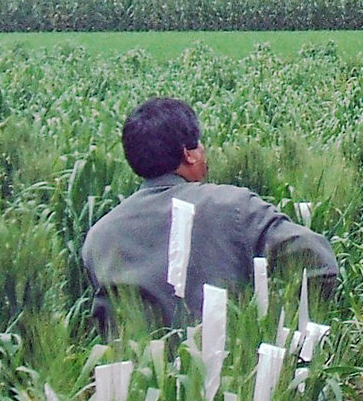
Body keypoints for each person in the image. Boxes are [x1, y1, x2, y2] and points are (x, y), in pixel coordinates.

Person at [80, 97, 338, 334]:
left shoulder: (99, 237)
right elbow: (319, 262)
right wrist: (273, 326)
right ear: (188, 154)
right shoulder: (235, 206)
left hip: (132, 382)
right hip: (231, 376)